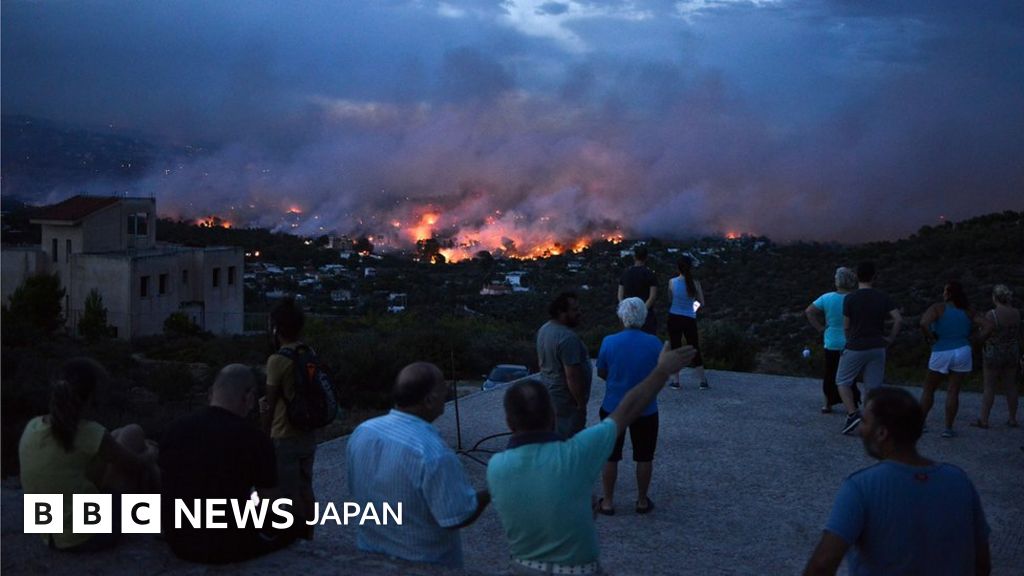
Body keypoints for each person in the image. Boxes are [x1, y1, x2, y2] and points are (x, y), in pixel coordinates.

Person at [487, 342, 696, 575]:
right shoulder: (577, 453)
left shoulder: (496, 467)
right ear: (552, 415)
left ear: (509, 423)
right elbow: (628, 409)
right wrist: (662, 370)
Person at [803, 387, 991, 576]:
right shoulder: (958, 481)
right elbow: (982, 563)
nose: (860, 430)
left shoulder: (861, 487)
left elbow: (823, 564)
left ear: (882, 433)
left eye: (865, 422)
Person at [347, 362, 490, 568]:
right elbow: (458, 515)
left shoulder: (363, 432)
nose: (448, 391)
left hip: (370, 557)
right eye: (443, 387)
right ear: (430, 400)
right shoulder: (433, 453)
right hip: (425, 564)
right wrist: (490, 492)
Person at [19, 358, 159, 552]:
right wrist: (152, 451)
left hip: (50, 535)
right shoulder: (89, 433)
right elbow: (136, 464)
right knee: (133, 432)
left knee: (119, 434)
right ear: (91, 396)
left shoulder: (33, 426)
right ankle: (159, 514)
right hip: (90, 536)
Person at [160, 364, 295, 563]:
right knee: (295, 523)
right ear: (248, 397)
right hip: (228, 546)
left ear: (210, 393)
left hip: (179, 542)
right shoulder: (254, 439)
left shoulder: (173, 430)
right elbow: (271, 501)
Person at [595, 298, 663, 515]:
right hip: (646, 408)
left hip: (614, 407)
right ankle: (642, 500)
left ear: (622, 316)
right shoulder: (655, 343)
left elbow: (602, 372)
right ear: (643, 317)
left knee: (610, 455)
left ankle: (608, 502)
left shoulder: (609, 342)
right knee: (644, 456)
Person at [261, 298, 317, 538]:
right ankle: (308, 534)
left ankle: (288, 538)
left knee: (284, 492)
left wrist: (263, 436)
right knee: (306, 487)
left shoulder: (278, 360)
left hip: (284, 434)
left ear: (276, 328)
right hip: (307, 433)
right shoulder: (309, 353)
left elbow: (270, 403)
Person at [836, 262, 902, 435]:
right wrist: (890, 338)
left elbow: (846, 326)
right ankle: (871, 422)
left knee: (842, 381)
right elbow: (898, 319)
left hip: (856, 346)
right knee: (873, 388)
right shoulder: (883, 297)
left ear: (857, 277)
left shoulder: (850, 298)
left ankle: (853, 414)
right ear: (874, 277)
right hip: (878, 347)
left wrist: (848, 342)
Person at [918, 281, 975, 438]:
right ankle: (948, 428)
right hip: (963, 350)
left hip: (942, 349)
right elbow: (988, 325)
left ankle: (921, 424)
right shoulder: (967, 310)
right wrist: (976, 341)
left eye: (945, 291)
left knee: (929, 389)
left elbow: (923, 323)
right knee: (953, 390)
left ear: (948, 294)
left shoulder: (938, 308)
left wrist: (932, 337)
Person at [537, 291, 593, 438]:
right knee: (569, 444)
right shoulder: (568, 338)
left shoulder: (544, 330)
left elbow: (541, 363)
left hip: (549, 396)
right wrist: (581, 404)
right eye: (574, 310)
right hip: (566, 403)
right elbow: (572, 376)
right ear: (561, 312)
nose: (579, 313)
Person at [805, 267, 861, 413]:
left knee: (830, 373)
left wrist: (820, 328)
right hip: (850, 342)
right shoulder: (856, 298)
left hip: (831, 342)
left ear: (838, 281)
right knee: (850, 376)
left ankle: (827, 404)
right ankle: (852, 404)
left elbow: (809, 311)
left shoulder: (827, 297)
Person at [973, 284, 1021, 429]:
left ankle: (984, 419)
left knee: (989, 387)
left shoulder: (991, 314)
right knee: (1011, 386)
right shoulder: (1016, 313)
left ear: (995, 297)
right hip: (1012, 351)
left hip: (994, 352)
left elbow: (985, 333)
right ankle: (1012, 418)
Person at [666, 255, 707, 390]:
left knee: (676, 348)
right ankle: (703, 381)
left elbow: (670, 299)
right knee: (694, 348)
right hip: (689, 318)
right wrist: (692, 308)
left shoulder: (672, 282)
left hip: (674, 317)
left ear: (678, 267)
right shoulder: (695, 283)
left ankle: (676, 381)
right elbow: (702, 302)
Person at [618, 244, 658, 335]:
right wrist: (642, 311)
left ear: (634, 257)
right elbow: (652, 297)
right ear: (646, 257)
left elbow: (620, 296)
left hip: (627, 317)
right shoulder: (650, 274)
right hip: (646, 316)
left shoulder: (625, 273)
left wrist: (625, 310)